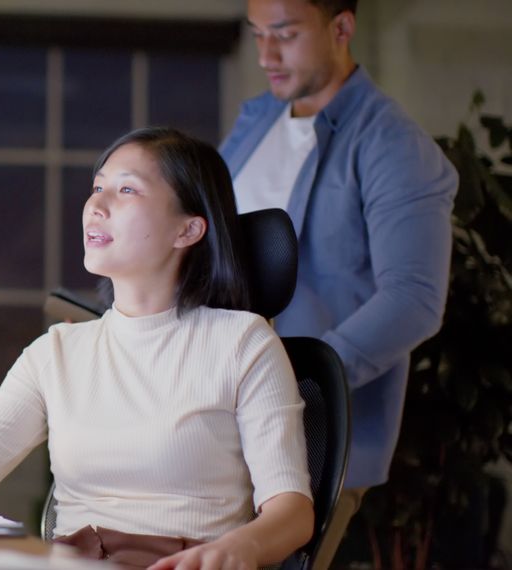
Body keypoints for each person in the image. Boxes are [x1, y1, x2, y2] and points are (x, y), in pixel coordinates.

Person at [0, 127, 314, 569]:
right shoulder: (55, 351)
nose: (96, 204)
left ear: (188, 230)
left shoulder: (242, 342)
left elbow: (291, 511)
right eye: (97, 188)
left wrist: (241, 549)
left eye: (127, 190)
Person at [219, 0, 458, 567]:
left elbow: (415, 299)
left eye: (285, 34)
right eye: (257, 35)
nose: (265, 55)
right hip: (219, 432)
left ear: (342, 28)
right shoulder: (258, 122)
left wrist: (296, 383)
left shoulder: (393, 146)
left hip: (311, 447)